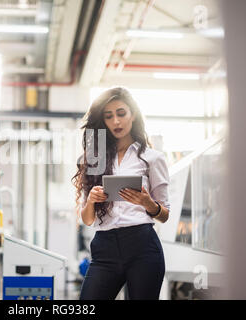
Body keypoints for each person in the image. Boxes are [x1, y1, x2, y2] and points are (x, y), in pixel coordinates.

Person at [71, 87, 170, 300]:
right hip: (104, 247)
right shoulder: (95, 160)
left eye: (121, 113)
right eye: (109, 116)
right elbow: (87, 220)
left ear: (132, 115)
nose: (116, 121)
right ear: (103, 122)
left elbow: (164, 214)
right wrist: (91, 201)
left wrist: (147, 203)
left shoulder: (153, 158)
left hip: (142, 246)